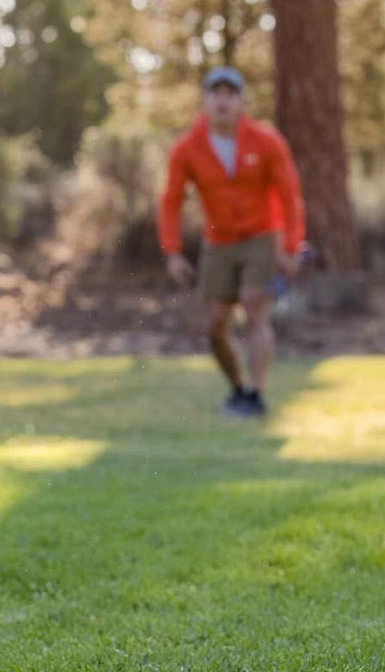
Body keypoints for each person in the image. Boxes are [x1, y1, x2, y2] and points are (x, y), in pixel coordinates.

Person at [158, 66, 306, 417]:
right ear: (205, 100)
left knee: (255, 306)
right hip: (217, 240)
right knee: (214, 326)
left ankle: (256, 394)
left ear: (240, 101)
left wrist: (292, 245)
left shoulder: (267, 141)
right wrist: (173, 252)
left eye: (230, 94)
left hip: (261, 235)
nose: (223, 101)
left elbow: (290, 197)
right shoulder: (187, 148)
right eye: (216, 93)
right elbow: (170, 201)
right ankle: (237, 389)